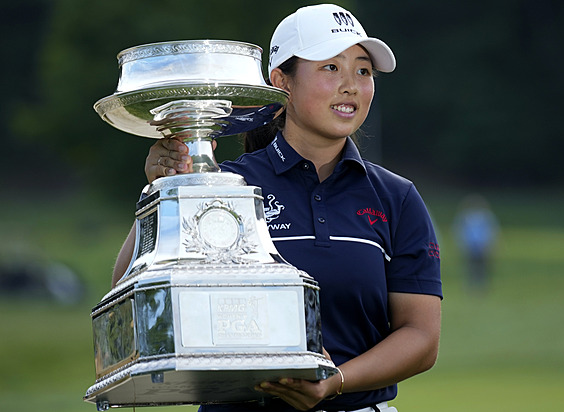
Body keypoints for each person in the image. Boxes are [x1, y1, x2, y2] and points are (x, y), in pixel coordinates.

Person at [113, 4, 442, 412]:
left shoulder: (397, 197)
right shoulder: (224, 184)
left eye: (363, 71)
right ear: (281, 82)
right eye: (330, 68)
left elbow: (421, 337)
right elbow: (129, 288)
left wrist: (335, 382)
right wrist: (164, 188)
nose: (352, 86)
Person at [452, 194, 499, 292]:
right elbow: (460, 231)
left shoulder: (486, 217)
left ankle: (482, 286)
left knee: (482, 268)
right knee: (471, 268)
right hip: (470, 246)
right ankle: (471, 287)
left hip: (482, 246)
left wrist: (490, 245)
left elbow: (491, 231)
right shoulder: (465, 217)